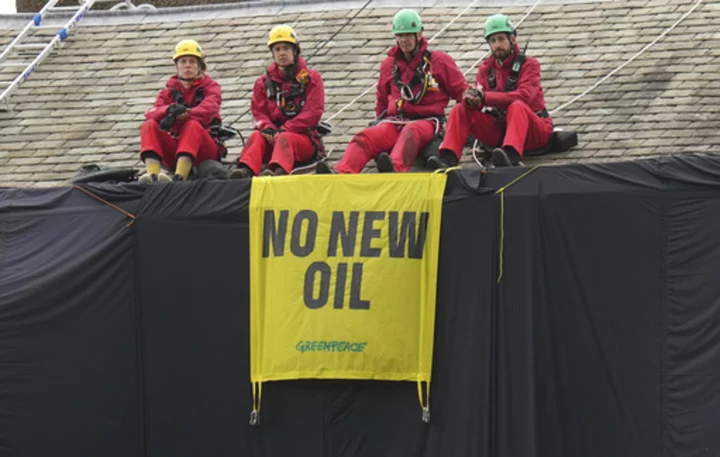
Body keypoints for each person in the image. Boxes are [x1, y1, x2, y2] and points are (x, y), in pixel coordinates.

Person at [316, 9, 467, 174]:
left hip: (427, 122)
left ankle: (393, 169)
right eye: (400, 36)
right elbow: (381, 100)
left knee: (411, 132)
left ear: (419, 34)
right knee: (365, 137)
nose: (404, 40)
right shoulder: (388, 65)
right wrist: (377, 124)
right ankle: (342, 172)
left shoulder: (439, 61)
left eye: (408, 35)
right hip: (394, 121)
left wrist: (460, 129)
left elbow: (462, 93)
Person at [436, 14, 553, 168]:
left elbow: (524, 97)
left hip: (534, 131)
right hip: (501, 130)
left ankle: (511, 157)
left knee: (517, 106)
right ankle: (448, 158)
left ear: (512, 39)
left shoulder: (529, 65)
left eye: (501, 39)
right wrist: (472, 101)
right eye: (493, 40)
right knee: (460, 108)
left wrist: (485, 97)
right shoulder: (485, 69)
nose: (497, 45)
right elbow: (481, 102)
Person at [230, 25, 325, 178]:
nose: (282, 53)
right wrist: (267, 128)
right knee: (255, 137)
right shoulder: (262, 83)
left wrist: (285, 129)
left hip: (302, 140)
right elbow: (258, 112)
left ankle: (278, 171)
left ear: (294, 51)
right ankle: (244, 171)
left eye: (286, 48)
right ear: (273, 54)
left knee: (284, 138)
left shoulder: (312, 79)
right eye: (277, 49)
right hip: (273, 137)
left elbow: (313, 113)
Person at [138, 39, 223, 183]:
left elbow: (209, 109)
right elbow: (151, 113)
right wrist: (168, 109)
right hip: (177, 149)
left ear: (200, 66)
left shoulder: (211, 87)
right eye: (183, 62)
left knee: (192, 125)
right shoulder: (167, 92)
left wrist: (184, 114)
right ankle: (153, 176)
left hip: (204, 150)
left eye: (192, 61)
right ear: (177, 66)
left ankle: (180, 178)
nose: (187, 65)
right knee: (149, 125)